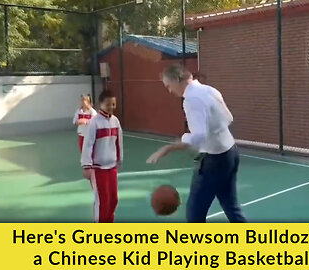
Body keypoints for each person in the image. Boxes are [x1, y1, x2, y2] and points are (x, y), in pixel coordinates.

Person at [147, 64, 246, 223]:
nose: (170, 90)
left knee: (195, 214)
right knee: (231, 206)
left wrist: (169, 147)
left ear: (177, 79)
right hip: (231, 153)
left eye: (168, 86)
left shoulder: (191, 99)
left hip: (215, 160)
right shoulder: (210, 90)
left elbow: (198, 136)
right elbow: (229, 118)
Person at [81, 91, 123, 223]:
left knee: (113, 199)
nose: (111, 106)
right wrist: (86, 165)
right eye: (108, 104)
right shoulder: (94, 122)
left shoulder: (115, 121)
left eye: (113, 104)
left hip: (112, 168)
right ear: (100, 104)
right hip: (97, 169)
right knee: (102, 200)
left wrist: (119, 160)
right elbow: (87, 145)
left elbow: (119, 142)